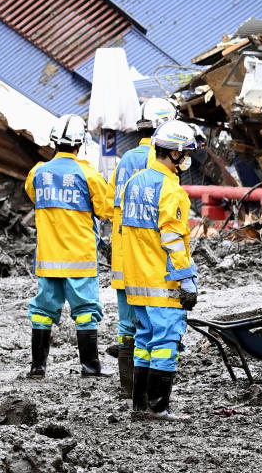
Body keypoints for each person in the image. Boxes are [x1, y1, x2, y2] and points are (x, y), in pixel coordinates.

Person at [121, 119, 199, 422]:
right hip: (163, 282)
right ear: (176, 154)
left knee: (144, 341)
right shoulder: (171, 190)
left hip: (137, 281)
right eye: (186, 153)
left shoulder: (134, 183)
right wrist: (186, 281)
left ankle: (139, 405)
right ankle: (158, 407)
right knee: (166, 342)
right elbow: (173, 241)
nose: (188, 159)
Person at [26, 114, 112, 379]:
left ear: (54, 142)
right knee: (85, 311)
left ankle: (38, 368)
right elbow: (106, 208)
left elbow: (32, 194)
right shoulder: (88, 174)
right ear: (80, 143)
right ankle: (90, 367)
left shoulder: (38, 172)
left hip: (48, 259)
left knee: (42, 311)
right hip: (80, 259)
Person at [107, 97, 177, 397]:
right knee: (153, 325)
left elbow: (111, 204)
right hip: (150, 254)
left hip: (123, 252)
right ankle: (147, 391)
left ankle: (128, 388)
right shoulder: (161, 162)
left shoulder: (126, 160)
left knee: (127, 323)